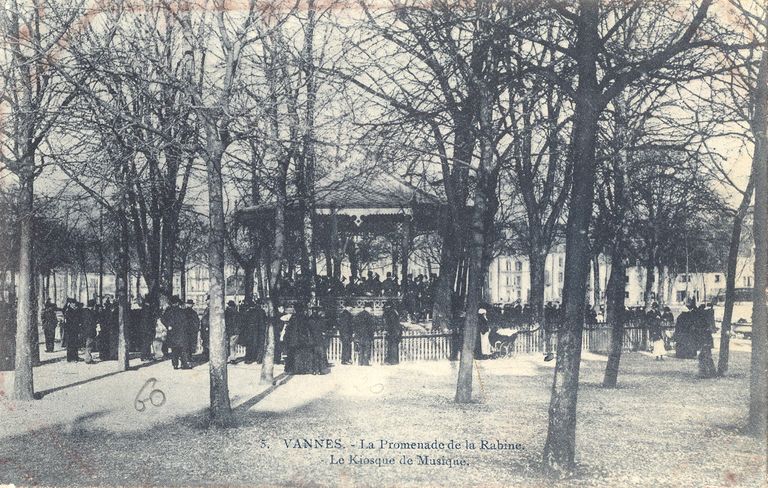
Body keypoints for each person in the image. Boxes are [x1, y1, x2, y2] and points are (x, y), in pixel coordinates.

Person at [161, 296, 191, 369]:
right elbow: (186, 322)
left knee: (174, 349)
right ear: (177, 303)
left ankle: (175, 364)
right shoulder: (182, 311)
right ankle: (184, 364)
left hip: (172, 333)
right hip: (181, 333)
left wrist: (168, 325)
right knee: (183, 349)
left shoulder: (168, 311)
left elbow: (163, 319)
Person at [696, 304, 717, 378]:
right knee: (705, 356)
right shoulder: (707, 318)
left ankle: (706, 373)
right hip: (706, 341)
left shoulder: (703, 321)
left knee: (704, 356)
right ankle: (710, 372)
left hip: (705, 341)